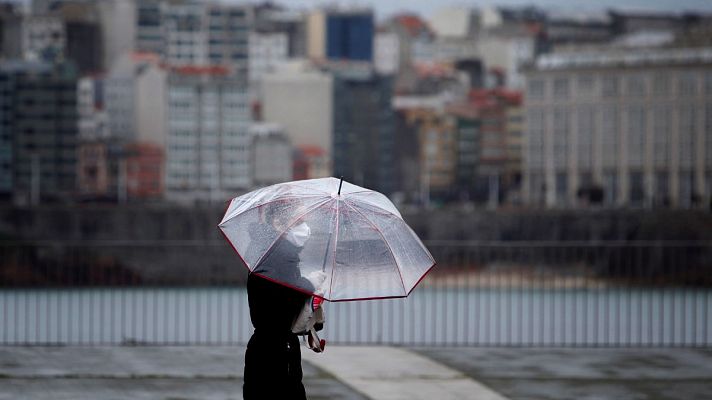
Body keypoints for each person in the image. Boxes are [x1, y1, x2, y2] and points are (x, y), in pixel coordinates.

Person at [242, 211, 321, 400]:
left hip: (270, 348)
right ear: (278, 222)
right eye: (300, 221)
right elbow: (280, 303)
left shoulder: (270, 251)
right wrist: (310, 284)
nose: (305, 228)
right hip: (275, 352)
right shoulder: (277, 255)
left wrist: (308, 288)